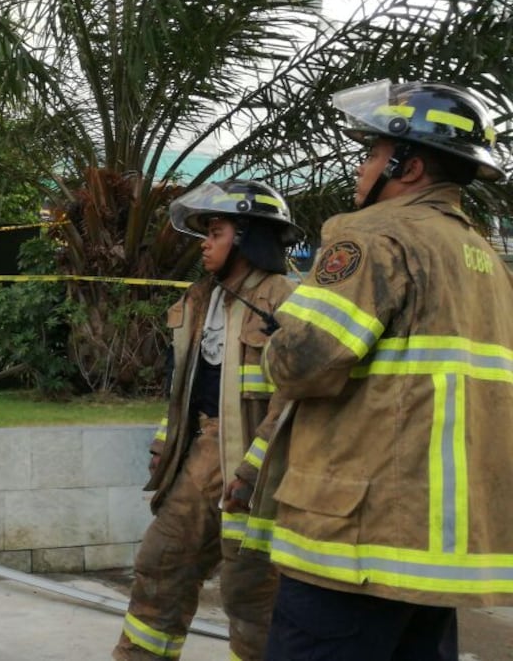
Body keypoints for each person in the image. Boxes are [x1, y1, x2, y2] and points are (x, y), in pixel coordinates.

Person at [256, 79, 513, 660]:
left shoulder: (376, 236)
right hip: (435, 555)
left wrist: (280, 339)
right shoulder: (487, 261)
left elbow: (301, 364)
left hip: (356, 540)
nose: (361, 168)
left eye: (371, 153)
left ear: (410, 165)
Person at [114, 179, 303, 661]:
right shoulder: (201, 297)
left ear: (245, 236)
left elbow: (292, 400)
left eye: (214, 232)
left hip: (257, 472)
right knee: (161, 565)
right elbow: (185, 387)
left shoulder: (287, 300)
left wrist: (251, 469)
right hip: (198, 456)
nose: (204, 244)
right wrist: (165, 441)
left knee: (252, 594)